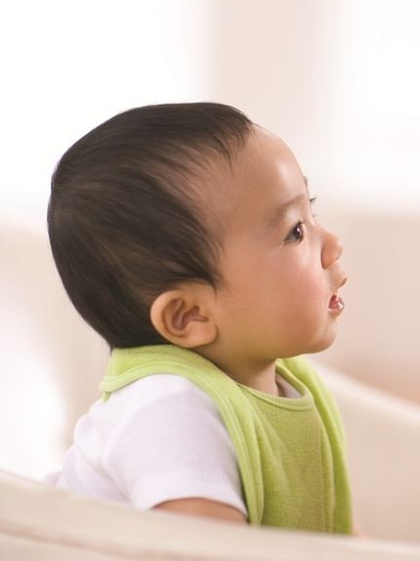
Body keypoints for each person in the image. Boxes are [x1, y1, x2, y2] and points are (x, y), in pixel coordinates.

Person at [48, 102, 353, 534]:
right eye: (295, 232)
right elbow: (205, 550)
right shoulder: (169, 410)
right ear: (189, 314)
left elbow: (340, 539)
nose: (333, 243)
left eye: (312, 211)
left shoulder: (286, 381)